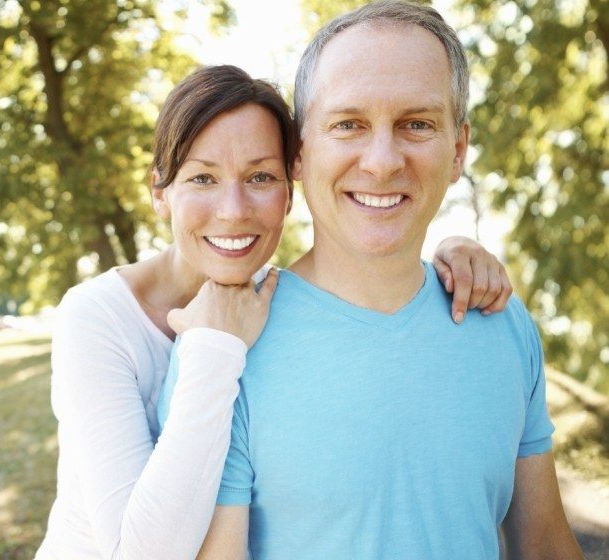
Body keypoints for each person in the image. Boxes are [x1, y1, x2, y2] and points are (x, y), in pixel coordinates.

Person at [35, 64, 513, 560]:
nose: (234, 209)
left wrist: (454, 250)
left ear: (291, 190)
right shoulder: (95, 318)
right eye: (202, 178)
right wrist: (212, 350)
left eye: (261, 176)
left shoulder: (276, 302)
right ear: (160, 192)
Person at [162, 3, 584, 559]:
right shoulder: (226, 350)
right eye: (348, 124)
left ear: (457, 149)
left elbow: (547, 548)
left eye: (416, 124)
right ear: (300, 151)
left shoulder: (501, 323)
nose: (382, 161)